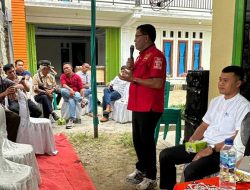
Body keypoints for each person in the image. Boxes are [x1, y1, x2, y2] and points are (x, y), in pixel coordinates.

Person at [159, 65, 250, 190]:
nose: (220, 83)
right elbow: (204, 125)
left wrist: (212, 149)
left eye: (225, 80)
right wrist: (193, 140)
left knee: (191, 170)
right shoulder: (216, 101)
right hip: (203, 145)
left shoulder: (244, 106)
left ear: (238, 83)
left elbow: (236, 137)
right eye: (220, 79)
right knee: (166, 155)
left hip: (221, 152)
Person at [119, 24, 166, 190]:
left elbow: (157, 82)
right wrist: (129, 69)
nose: (135, 40)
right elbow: (136, 77)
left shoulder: (156, 56)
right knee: (138, 140)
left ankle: (151, 177)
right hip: (138, 104)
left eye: (137, 36)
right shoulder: (140, 56)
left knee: (146, 141)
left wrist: (133, 78)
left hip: (150, 106)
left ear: (146, 37)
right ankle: (141, 169)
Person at [60, 62, 86, 129]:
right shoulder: (63, 76)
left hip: (75, 94)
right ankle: (81, 100)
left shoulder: (77, 77)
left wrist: (82, 96)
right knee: (62, 90)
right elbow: (64, 85)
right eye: (64, 68)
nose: (65, 69)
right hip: (66, 93)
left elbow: (82, 89)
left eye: (67, 68)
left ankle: (71, 120)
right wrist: (70, 89)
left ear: (71, 68)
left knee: (71, 100)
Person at [0, 75, 24, 142]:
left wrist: (14, 87)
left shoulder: (4, 81)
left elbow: (21, 86)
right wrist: (4, 93)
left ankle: (10, 142)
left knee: (15, 117)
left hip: (1, 109)